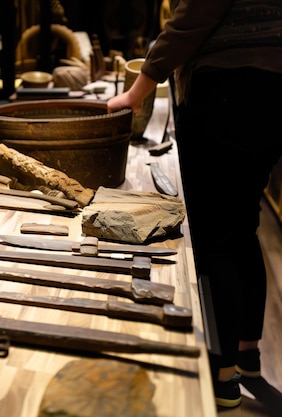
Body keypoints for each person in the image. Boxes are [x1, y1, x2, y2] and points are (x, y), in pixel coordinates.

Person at [107, 0, 282, 409]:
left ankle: (222, 375)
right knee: (242, 224)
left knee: (215, 237)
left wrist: (137, 91)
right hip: (274, 86)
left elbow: (195, 16)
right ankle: (246, 354)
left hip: (227, 88)